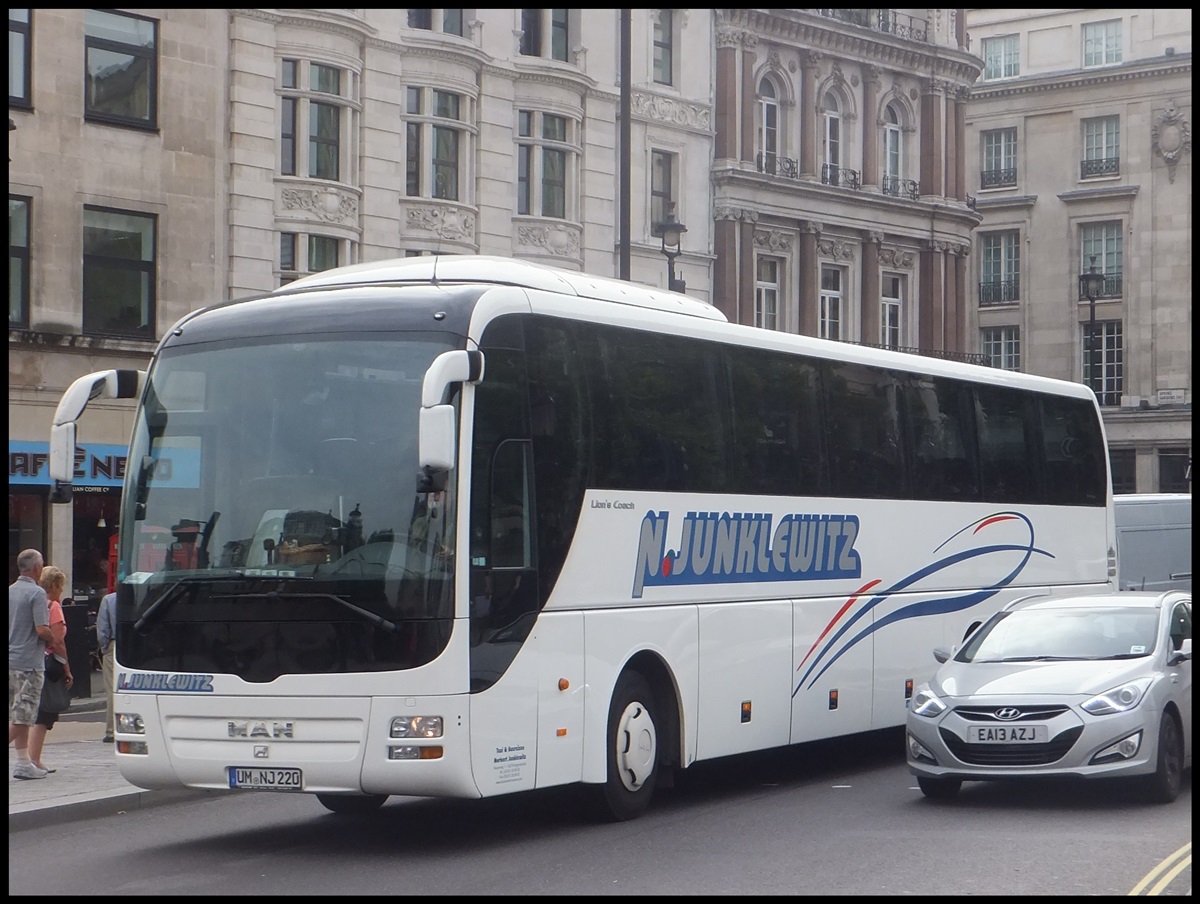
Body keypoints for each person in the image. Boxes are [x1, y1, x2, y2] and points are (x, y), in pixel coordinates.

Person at [8, 548, 54, 780]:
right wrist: (52, 637)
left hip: (11, 660)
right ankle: (23, 763)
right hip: (30, 663)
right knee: (24, 716)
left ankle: (24, 763)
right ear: (36, 568)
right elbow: (41, 629)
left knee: (18, 714)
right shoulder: (36, 594)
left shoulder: (10, 592)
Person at [28, 565, 74, 772]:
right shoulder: (52, 607)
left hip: (28, 661)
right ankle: (34, 759)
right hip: (48, 665)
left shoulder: (32, 602)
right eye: (61, 586)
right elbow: (57, 642)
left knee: (27, 712)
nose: (61, 591)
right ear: (54, 585)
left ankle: (27, 759)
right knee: (44, 714)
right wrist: (67, 669)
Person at [96, 588, 117, 742]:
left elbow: (102, 629)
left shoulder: (109, 600)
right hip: (134, 645)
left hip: (114, 644)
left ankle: (111, 731)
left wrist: (105, 648)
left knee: (112, 689)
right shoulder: (139, 599)